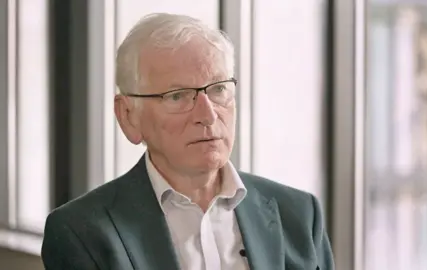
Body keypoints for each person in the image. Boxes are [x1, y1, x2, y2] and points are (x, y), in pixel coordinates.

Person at [41, 13, 334, 270]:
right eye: (178, 95)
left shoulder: (299, 215)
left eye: (218, 89)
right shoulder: (81, 233)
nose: (207, 115)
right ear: (129, 115)